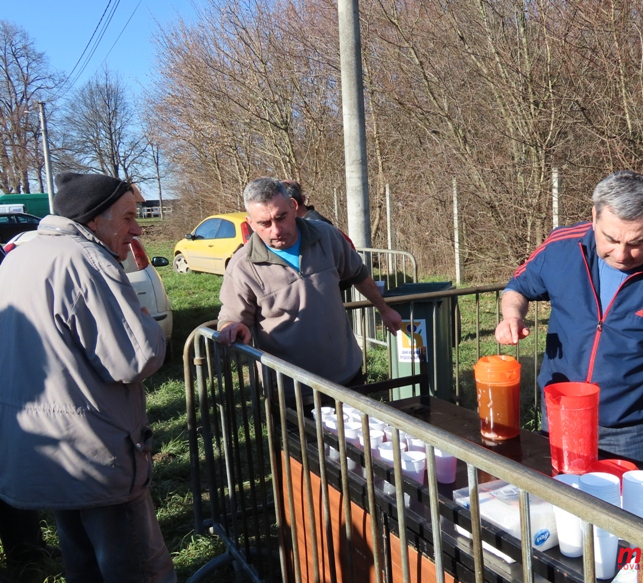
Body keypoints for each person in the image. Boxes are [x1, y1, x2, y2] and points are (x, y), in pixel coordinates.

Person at [0, 172, 176, 583]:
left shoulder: (20, 256)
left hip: (47, 450)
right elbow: (135, 358)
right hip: (96, 450)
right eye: (128, 215)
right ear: (94, 219)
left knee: (81, 562)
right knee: (134, 567)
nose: (136, 228)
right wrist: (147, 324)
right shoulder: (88, 260)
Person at [494, 170, 643, 474]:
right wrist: (512, 315)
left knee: (625, 517)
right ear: (594, 216)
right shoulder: (561, 247)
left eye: (637, 242)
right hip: (559, 415)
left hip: (632, 431)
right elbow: (518, 287)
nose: (621, 253)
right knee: (558, 507)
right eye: (611, 238)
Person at [217, 177, 402, 391]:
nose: (276, 230)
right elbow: (230, 317)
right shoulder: (242, 266)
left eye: (281, 217)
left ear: (293, 207)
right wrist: (231, 328)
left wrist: (384, 309)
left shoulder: (327, 236)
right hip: (290, 388)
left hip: (346, 375)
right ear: (250, 223)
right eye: (264, 224)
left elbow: (358, 274)